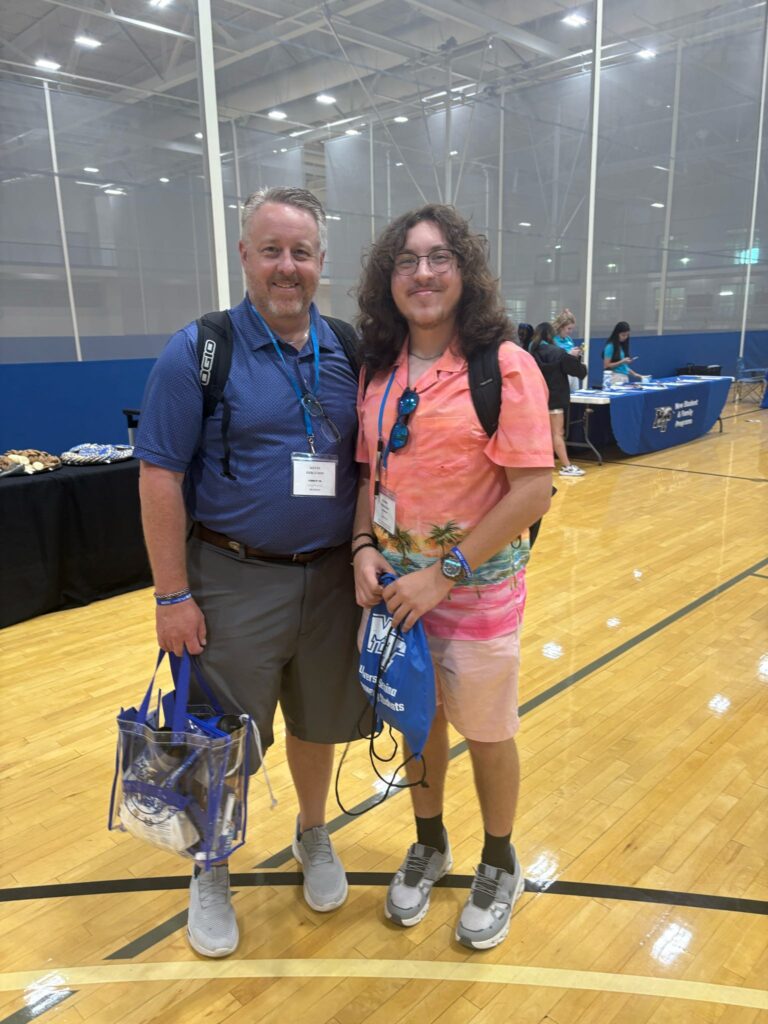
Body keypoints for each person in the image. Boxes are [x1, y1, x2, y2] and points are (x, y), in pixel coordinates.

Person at [133, 186, 371, 959]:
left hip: (331, 578)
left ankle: (313, 832)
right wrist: (172, 594)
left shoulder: (349, 349)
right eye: (272, 250)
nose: (286, 266)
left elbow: (372, 463)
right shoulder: (200, 351)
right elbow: (159, 475)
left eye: (301, 252)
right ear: (245, 256)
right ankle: (210, 864)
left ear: (321, 261)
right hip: (233, 578)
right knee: (222, 736)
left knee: (318, 718)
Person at [352, 204, 553, 950]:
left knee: (489, 732)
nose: (424, 273)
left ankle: (500, 862)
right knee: (419, 720)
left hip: (475, 595)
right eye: (408, 260)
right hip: (397, 595)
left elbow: (533, 491)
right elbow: (370, 474)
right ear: (389, 278)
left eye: (440, 257)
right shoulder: (377, 369)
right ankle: (430, 842)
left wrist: (443, 574)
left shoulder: (504, 366)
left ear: (464, 272)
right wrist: (360, 546)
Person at [529, 321, 587, 477]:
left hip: (535, 399)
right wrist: (574, 358)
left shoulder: (530, 352)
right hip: (554, 398)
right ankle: (566, 466)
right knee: (557, 433)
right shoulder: (558, 352)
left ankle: (540, 464)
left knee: (542, 433)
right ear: (550, 335)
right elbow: (579, 371)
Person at [603, 321, 642, 385]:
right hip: (615, 377)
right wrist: (622, 361)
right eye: (623, 335)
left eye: (627, 335)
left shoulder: (621, 346)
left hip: (624, 377)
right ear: (617, 334)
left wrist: (636, 374)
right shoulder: (610, 346)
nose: (625, 337)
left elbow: (623, 366)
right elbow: (606, 365)